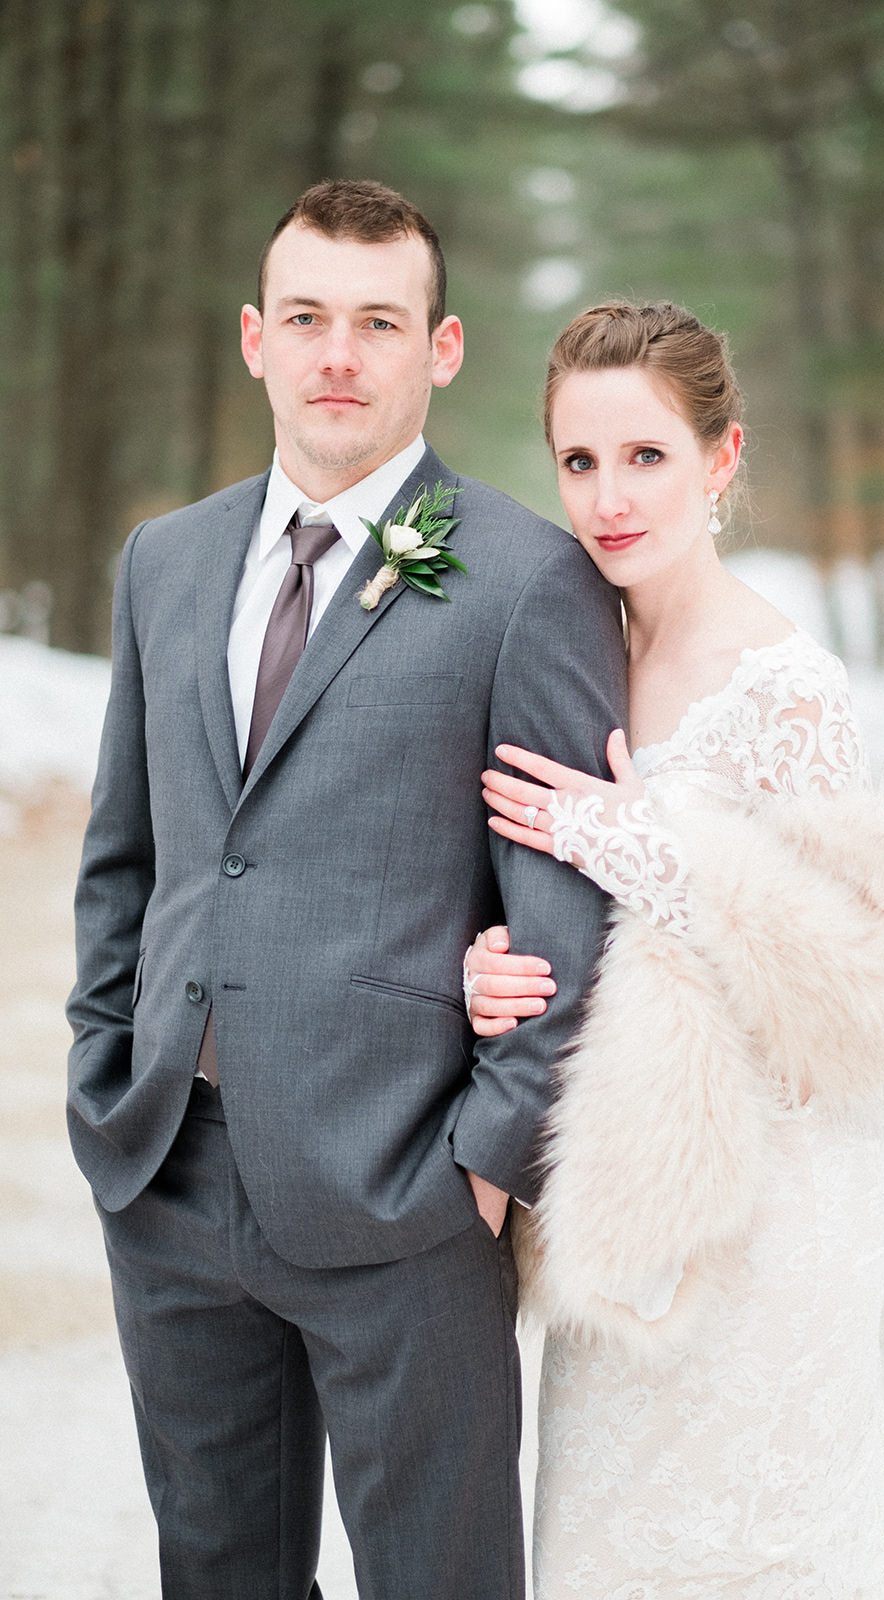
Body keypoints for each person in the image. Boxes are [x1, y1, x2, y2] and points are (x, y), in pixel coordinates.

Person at [66, 180, 628, 1599]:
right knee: (217, 1573)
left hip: (405, 1192)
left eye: (379, 323)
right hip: (171, 1177)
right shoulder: (166, 562)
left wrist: (484, 1165)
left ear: (439, 350)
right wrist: (102, 1079)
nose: (338, 355)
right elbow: (125, 858)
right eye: (308, 318)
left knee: (437, 1578)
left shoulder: (524, 579)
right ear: (256, 338)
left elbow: (564, 911)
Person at [464, 301, 884, 1597]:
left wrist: (641, 845)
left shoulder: (787, 687)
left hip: (767, 1225)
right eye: (579, 461)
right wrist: (490, 961)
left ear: (723, 459)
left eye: (647, 457)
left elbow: (849, 1006)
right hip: (619, 1216)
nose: (609, 497)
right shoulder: (566, 646)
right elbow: (526, 891)